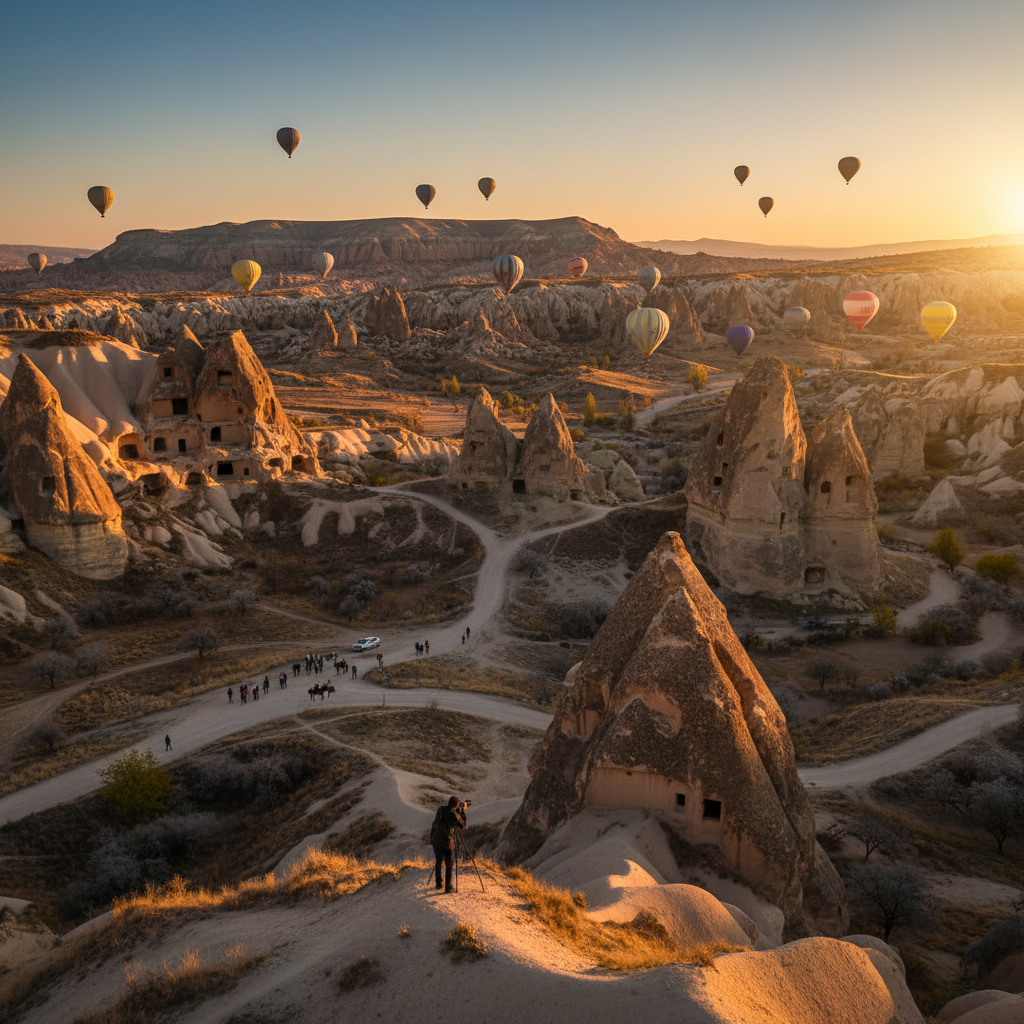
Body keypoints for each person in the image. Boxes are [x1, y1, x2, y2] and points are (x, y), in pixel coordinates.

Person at [430, 796, 468, 893]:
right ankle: (448, 886)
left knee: (438, 861)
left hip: (436, 840)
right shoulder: (455, 816)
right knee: (449, 864)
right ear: (456, 805)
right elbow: (463, 824)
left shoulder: (441, 809)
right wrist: (463, 811)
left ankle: (438, 883)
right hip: (447, 843)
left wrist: (457, 812)